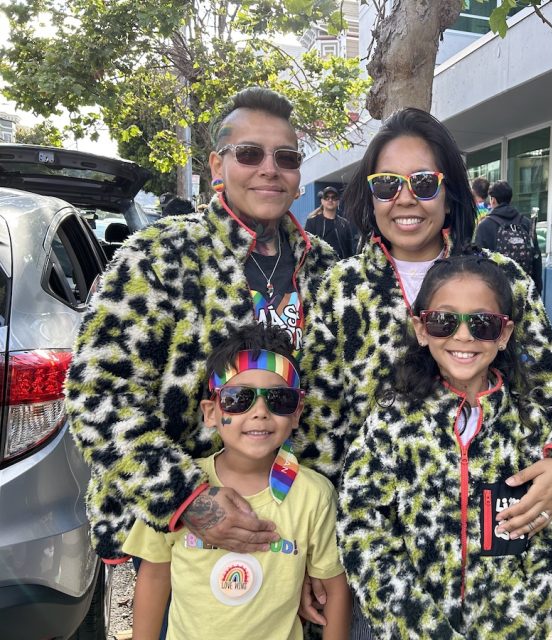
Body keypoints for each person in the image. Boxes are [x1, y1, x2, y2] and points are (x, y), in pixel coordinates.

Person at [297, 107, 552, 630]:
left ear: (450, 190)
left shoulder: (501, 277)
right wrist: (313, 552)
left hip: (494, 563)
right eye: (387, 183)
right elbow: (319, 435)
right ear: (370, 195)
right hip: (379, 560)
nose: (405, 198)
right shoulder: (340, 288)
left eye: (423, 182)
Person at [65, 86, 339, 565]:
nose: (269, 168)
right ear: (217, 167)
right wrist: (186, 499)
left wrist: (320, 542)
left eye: (287, 157)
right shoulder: (160, 255)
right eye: (249, 154)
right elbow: (98, 392)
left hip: (295, 529)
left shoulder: (326, 267)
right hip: (186, 542)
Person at [338, 253, 552, 638]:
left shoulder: (529, 427)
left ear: (503, 334)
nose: (463, 336)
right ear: (421, 329)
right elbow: (361, 524)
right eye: (443, 321)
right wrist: (419, 628)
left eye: (482, 323)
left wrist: (519, 626)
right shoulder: (390, 421)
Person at [124, 323, 351, 640]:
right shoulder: (179, 490)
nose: (259, 412)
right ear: (211, 412)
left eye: (278, 399)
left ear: (297, 412)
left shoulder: (313, 495)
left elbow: (334, 589)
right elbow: (154, 578)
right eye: (238, 398)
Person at [474, 179, 543, 293]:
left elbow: (479, 263)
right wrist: (537, 291)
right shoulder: (526, 223)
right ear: (510, 199)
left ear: (493, 200)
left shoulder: (485, 225)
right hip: (524, 291)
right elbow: (536, 257)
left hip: (497, 294)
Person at [304, 186, 358, 259]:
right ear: (322, 201)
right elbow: (307, 248)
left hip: (340, 267)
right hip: (320, 266)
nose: (330, 200)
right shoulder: (312, 222)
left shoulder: (344, 224)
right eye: (327, 197)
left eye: (333, 197)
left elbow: (350, 251)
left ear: (338, 202)